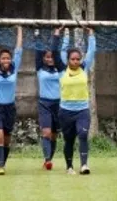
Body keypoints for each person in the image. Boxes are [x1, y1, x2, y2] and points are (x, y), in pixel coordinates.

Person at [0, 25, 23, 175]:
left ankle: (3, 163)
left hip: (10, 108)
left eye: (8, 58)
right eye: (3, 58)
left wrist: (19, 30)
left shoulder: (14, 67)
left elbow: (19, 49)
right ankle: (0, 165)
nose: (6, 60)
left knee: (6, 139)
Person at [59, 27, 96, 175]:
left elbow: (92, 52)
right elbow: (62, 51)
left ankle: (84, 165)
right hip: (66, 111)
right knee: (69, 140)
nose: (75, 61)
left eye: (78, 59)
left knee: (82, 134)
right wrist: (66, 35)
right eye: (72, 59)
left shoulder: (84, 68)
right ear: (68, 60)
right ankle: (69, 167)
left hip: (82, 110)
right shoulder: (63, 70)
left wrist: (91, 35)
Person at [36, 27, 66, 170]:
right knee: (46, 132)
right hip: (44, 104)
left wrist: (58, 35)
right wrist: (37, 32)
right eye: (47, 57)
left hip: (59, 105)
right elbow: (37, 50)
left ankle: (48, 159)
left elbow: (56, 51)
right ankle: (47, 160)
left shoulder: (60, 69)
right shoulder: (40, 69)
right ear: (43, 58)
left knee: (54, 135)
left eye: (52, 57)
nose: (50, 59)